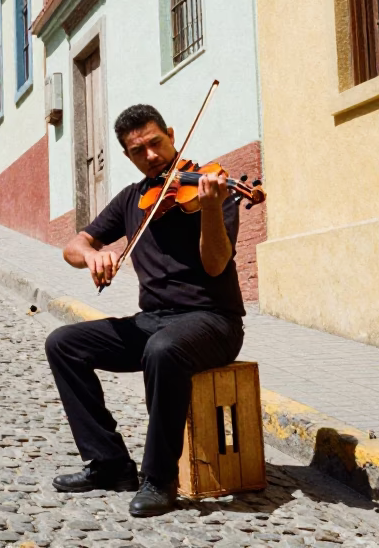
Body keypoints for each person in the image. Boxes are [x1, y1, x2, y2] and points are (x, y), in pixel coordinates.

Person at [44, 104, 246, 517]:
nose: (151, 155)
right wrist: (92, 257)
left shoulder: (211, 187)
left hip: (213, 321)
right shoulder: (133, 199)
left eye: (155, 143)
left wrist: (209, 208)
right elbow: (74, 245)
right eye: (139, 150)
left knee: (163, 350)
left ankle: (159, 479)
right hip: (153, 320)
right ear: (128, 156)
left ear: (171, 135)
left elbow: (215, 265)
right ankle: (110, 465)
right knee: (64, 343)